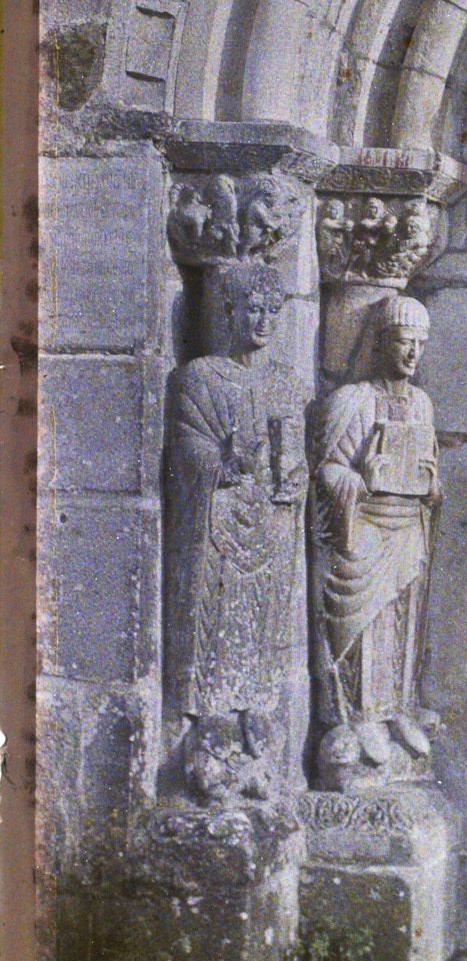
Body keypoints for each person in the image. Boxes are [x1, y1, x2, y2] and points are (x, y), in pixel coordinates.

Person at [163, 259, 306, 803]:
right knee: (216, 613)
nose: (263, 320)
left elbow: (296, 460)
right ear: (228, 310)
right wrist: (223, 461)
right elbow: (186, 451)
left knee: (263, 616)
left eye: (274, 310)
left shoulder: (286, 384)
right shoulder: (200, 376)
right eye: (252, 308)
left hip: (269, 527)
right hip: (218, 522)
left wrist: (296, 478)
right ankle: (212, 721)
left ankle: (255, 714)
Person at [308, 292, 441, 787]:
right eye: (405, 343)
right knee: (365, 621)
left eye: (420, 346)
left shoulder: (421, 404)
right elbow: (327, 469)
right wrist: (355, 478)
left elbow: (432, 476)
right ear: (381, 342)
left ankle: (395, 709)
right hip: (364, 529)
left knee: (402, 619)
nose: (413, 355)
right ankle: (359, 716)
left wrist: (430, 483)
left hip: (407, 527)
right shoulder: (354, 400)